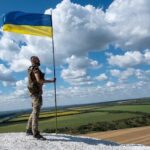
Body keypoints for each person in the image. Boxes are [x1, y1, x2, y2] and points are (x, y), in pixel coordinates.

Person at [26, 56, 56, 140]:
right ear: (34, 61)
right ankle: (35, 133)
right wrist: (51, 81)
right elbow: (39, 80)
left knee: (34, 111)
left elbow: (36, 81)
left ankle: (29, 130)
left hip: (33, 93)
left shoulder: (30, 69)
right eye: (37, 59)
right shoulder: (35, 69)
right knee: (36, 113)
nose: (39, 60)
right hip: (36, 94)